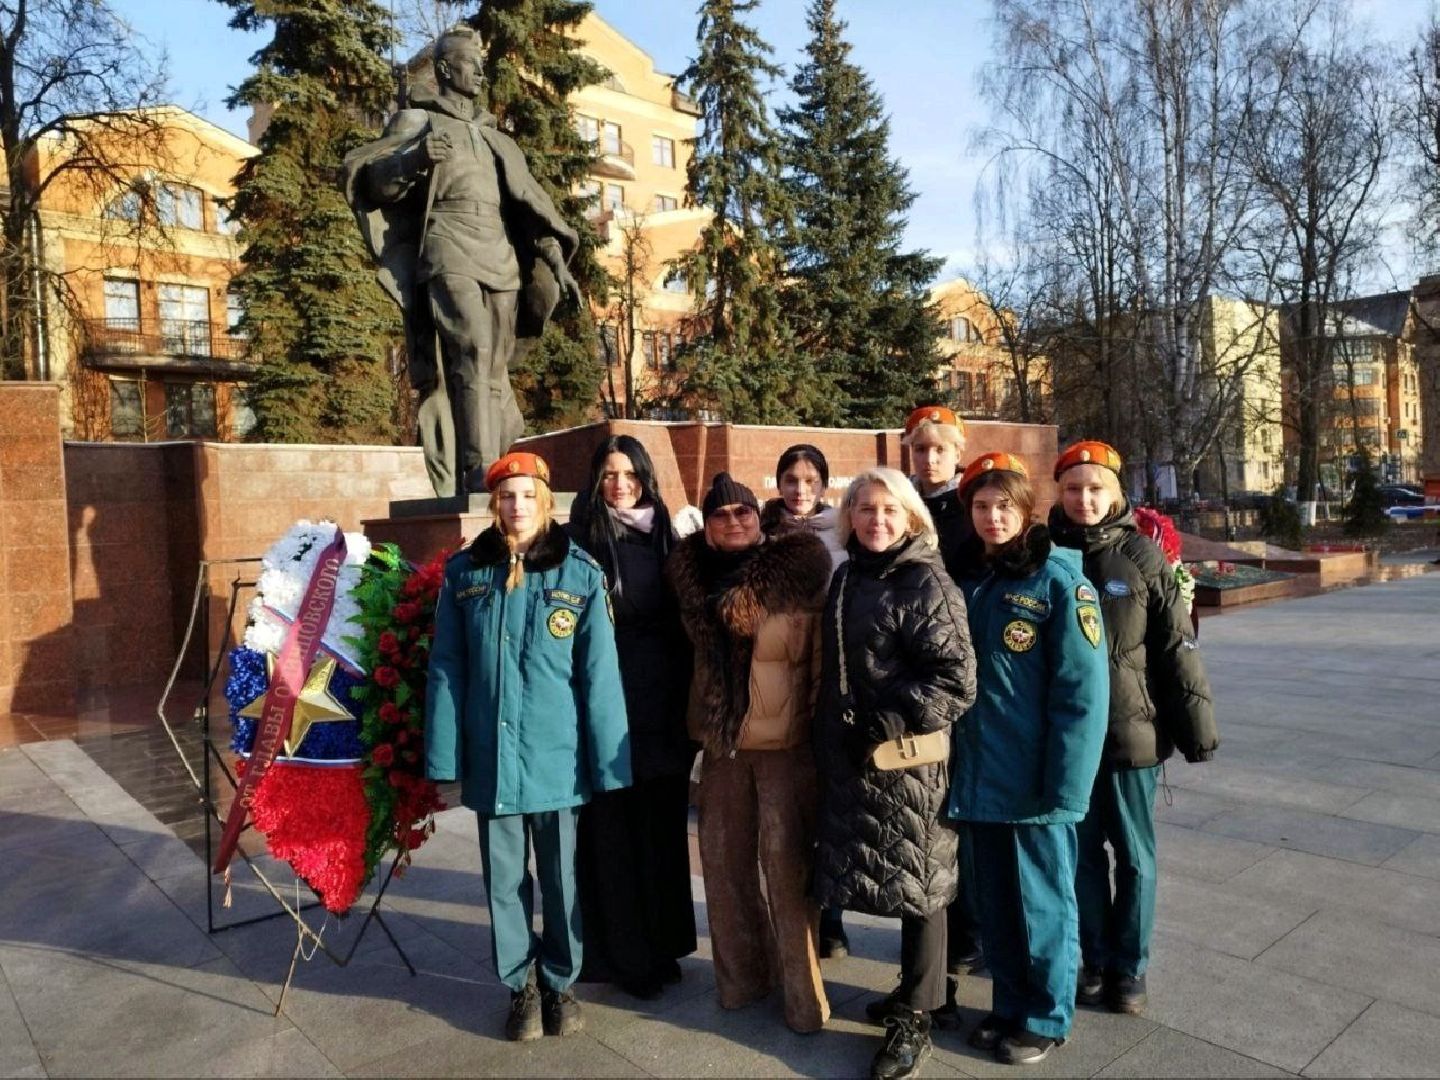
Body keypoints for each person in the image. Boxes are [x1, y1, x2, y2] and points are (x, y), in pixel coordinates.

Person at [425, 451, 631, 1042]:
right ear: (495, 504)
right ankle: (521, 987)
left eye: (527, 495)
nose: (517, 506)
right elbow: (447, 666)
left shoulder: (578, 573)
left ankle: (560, 983)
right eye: (507, 496)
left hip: (556, 760)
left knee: (563, 880)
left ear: (545, 501)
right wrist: (444, 755)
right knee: (503, 881)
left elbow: (600, 676)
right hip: (493, 758)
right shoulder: (465, 573)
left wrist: (610, 765)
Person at [344, 26, 582, 497]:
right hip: (447, 242)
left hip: (500, 250)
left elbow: (529, 210)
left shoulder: (498, 138)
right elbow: (373, 183)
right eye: (471, 63)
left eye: (481, 64)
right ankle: (478, 472)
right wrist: (413, 159)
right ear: (445, 68)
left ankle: (496, 467)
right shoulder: (418, 121)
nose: (480, 72)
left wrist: (557, 264)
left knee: (494, 368)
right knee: (471, 348)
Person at [945, 451, 1109, 1066]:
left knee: (1042, 902)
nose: (992, 517)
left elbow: (1083, 694)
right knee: (995, 904)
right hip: (979, 774)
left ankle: (1046, 1015)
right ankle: (1010, 1003)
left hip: (1034, 779)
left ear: (1027, 511)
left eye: (1004, 507)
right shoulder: (969, 578)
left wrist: (1067, 787)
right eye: (981, 506)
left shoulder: (1058, 582)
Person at [813, 467, 977, 1080]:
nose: (876, 520)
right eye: (865, 509)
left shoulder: (925, 580)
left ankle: (916, 1018)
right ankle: (922, 991)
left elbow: (956, 679)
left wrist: (891, 716)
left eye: (889, 510)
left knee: (920, 883)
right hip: (856, 757)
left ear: (910, 517)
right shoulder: (850, 574)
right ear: (849, 515)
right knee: (900, 878)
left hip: (908, 759)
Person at [1049, 441, 1217, 1016]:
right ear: (1059, 494)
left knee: (1135, 856)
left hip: (1131, 734)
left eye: (1095, 489)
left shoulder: (1141, 556)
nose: (1084, 499)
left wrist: (1196, 728)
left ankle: (1130, 967)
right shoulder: (1045, 554)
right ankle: (1095, 960)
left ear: (1116, 493)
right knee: (1081, 856)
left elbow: (1175, 644)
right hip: (1069, 737)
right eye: (1073, 489)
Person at [668, 472, 832, 1034]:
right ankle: (742, 982)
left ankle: (803, 998)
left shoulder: (799, 571)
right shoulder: (689, 579)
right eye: (720, 514)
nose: (733, 521)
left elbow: (820, 659)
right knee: (722, 864)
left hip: (786, 745)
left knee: (787, 870)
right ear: (707, 526)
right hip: (724, 745)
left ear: (758, 518)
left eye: (743, 512)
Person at [566, 435, 697, 1000]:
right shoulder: (580, 539)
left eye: (630, 474)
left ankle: (663, 943)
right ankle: (625, 955)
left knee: (661, 830)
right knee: (613, 833)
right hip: (609, 706)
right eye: (609, 474)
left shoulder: (667, 532)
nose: (620, 485)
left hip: (664, 707)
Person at [903, 405, 986, 1002]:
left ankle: (968, 928)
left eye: (940, 449)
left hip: (961, 672)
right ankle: (939, 926)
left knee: (962, 809)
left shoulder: (969, 508)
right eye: (920, 448)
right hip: (914, 676)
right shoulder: (903, 504)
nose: (930, 459)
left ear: (958, 452)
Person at [759, 443, 848, 958]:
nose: (800, 489)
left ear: (825, 484)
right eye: (791, 479)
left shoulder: (842, 533)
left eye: (811, 480)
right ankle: (792, 918)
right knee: (786, 812)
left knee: (828, 804)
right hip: (778, 683)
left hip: (831, 676)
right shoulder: (763, 534)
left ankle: (831, 917)